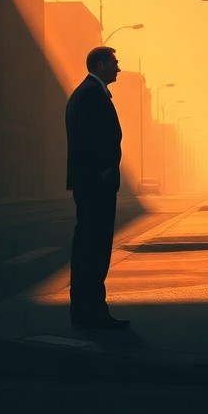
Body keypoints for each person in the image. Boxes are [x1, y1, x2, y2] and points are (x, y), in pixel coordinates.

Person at [65, 46, 130, 329]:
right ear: (101, 65)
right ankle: (94, 313)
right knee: (95, 249)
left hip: (89, 182)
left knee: (86, 248)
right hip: (95, 184)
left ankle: (83, 311)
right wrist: (104, 172)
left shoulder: (86, 92)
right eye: (115, 63)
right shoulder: (92, 94)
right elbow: (93, 138)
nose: (118, 68)